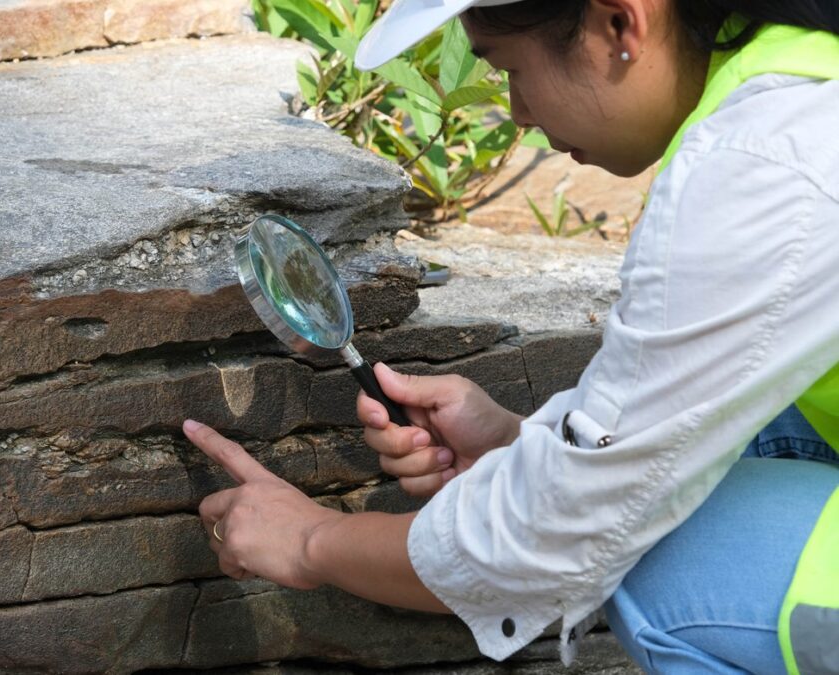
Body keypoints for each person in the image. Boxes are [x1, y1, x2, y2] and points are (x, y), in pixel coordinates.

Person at [182, 0, 839, 672]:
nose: (518, 112)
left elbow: (570, 531)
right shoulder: (802, 75)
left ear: (620, 22)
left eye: (512, 69)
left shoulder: (759, 168)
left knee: (661, 558)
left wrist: (310, 540)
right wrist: (514, 443)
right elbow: (657, 427)